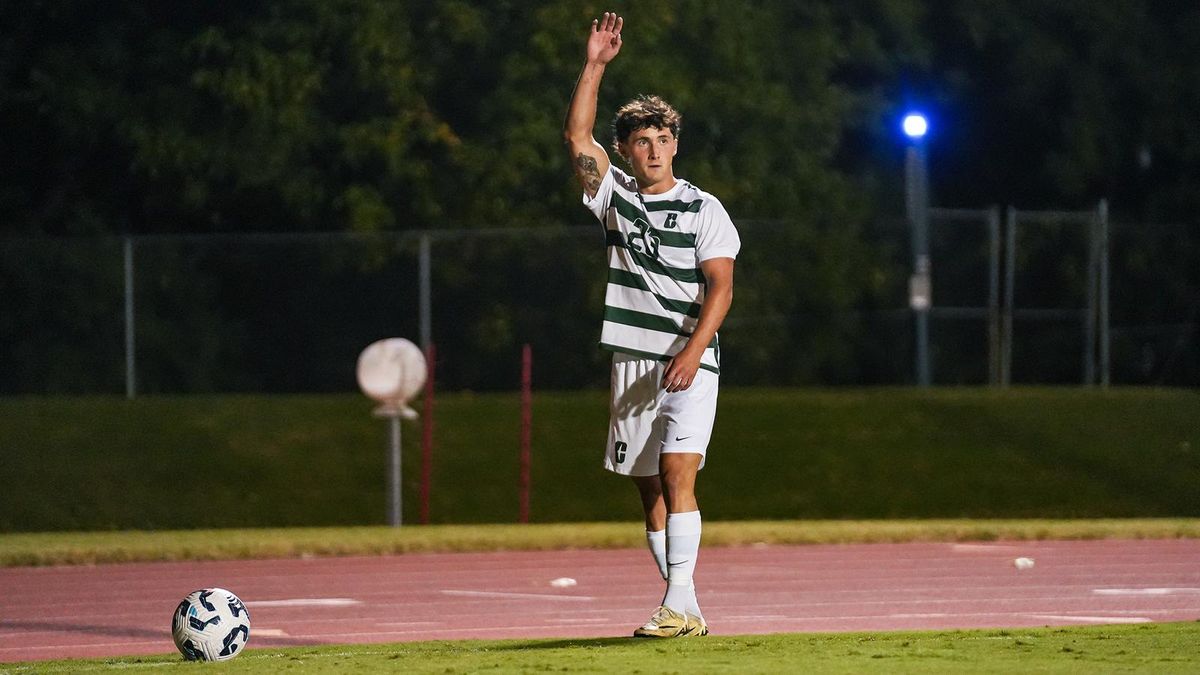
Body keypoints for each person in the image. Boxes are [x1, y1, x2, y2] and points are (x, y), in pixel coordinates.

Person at [562, 11, 740, 638]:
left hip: (690, 358)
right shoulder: (615, 196)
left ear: (676, 145)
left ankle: (677, 602)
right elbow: (577, 138)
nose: (655, 149)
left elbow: (721, 285)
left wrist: (693, 352)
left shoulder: (703, 206)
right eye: (642, 140)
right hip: (632, 363)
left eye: (663, 139)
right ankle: (686, 610)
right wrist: (596, 64)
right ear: (626, 150)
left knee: (676, 473)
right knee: (649, 493)